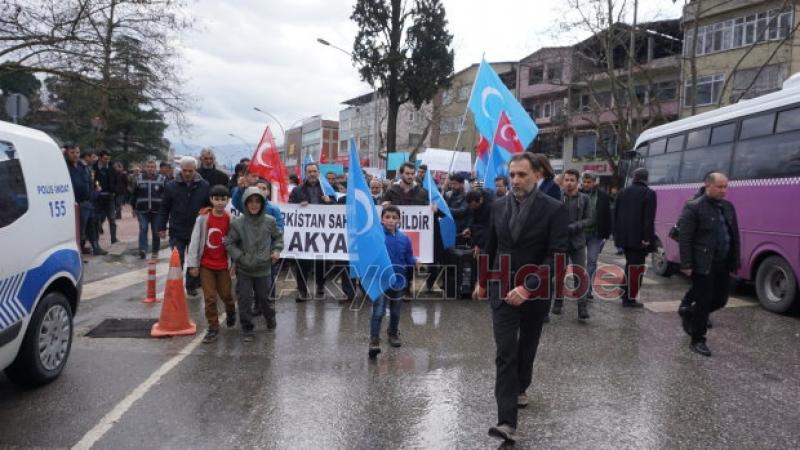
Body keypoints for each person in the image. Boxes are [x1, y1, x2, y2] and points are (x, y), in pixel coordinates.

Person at [474, 153, 568, 443]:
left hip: (535, 291)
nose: (515, 180)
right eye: (512, 174)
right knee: (505, 352)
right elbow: (491, 245)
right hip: (501, 288)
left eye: (522, 175)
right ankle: (506, 422)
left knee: (526, 347)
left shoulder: (554, 209)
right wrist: (482, 279)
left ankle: (522, 384)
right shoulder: (499, 205)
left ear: (537, 175)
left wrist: (528, 286)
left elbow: (558, 257)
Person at [678, 172, 739, 357]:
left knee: (720, 300)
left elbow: (734, 235)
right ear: (707, 186)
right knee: (704, 302)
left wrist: (735, 259)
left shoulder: (728, 207)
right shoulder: (694, 207)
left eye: (725, 187)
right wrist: (687, 264)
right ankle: (697, 340)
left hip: (723, 262)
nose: (724, 190)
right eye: (720, 187)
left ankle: (690, 312)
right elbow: (685, 238)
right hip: (703, 263)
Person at [224, 187, 283, 342]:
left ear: (263, 203)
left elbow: (278, 238)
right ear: (245, 203)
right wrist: (240, 257)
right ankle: (247, 328)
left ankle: (270, 319)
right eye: (250, 201)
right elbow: (229, 242)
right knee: (244, 298)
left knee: (264, 298)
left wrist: (276, 250)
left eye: (257, 201)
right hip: (244, 268)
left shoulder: (269, 221)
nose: (254, 205)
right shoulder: (238, 223)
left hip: (264, 268)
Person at [187, 185, 237, 343]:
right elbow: (195, 241)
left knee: (227, 295)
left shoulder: (231, 219)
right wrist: (193, 264)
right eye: (216, 199)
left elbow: (235, 243)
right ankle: (213, 327)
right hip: (206, 265)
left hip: (223, 265)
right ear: (211, 200)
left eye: (223, 199)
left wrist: (234, 264)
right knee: (209, 298)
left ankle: (231, 312)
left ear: (227, 200)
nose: (220, 202)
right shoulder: (203, 218)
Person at [368, 205, 419, 358]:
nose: (390, 220)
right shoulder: (376, 237)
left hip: (398, 280)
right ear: (382, 220)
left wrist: (415, 261)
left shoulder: (404, 238)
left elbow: (408, 257)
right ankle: (374, 340)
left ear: (399, 220)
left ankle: (393, 333)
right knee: (378, 311)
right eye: (387, 217)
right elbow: (369, 257)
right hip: (380, 279)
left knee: (396, 311)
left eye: (394, 218)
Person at [159, 156, 211, 296]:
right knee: (178, 258)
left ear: (195, 170)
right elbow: (164, 207)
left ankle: (191, 285)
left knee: (194, 259)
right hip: (177, 228)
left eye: (190, 170)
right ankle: (176, 285)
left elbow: (209, 206)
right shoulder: (171, 186)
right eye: (185, 170)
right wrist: (162, 227)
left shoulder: (204, 186)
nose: (187, 173)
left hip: (196, 229)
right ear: (180, 169)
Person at [288, 163, 335, 302]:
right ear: (305, 173)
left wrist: (330, 202)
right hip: (304, 233)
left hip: (323, 232)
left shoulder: (327, 189)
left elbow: (338, 208)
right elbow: (289, 207)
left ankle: (320, 287)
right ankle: (302, 291)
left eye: (314, 171)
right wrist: (298, 206)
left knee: (321, 261)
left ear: (318, 173)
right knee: (302, 262)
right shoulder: (297, 190)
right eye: (309, 172)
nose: (312, 174)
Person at [552, 169, 592, 320]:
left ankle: (582, 306)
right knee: (559, 275)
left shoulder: (584, 199)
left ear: (577, 182)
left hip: (578, 242)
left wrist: (575, 226)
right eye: (566, 180)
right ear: (563, 181)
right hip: (560, 242)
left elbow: (589, 219)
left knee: (579, 275)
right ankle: (558, 302)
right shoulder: (557, 197)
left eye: (572, 180)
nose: (569, 183)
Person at [613, 168, 656, 308]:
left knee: (630, 265)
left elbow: (615, 214)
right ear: (646, 178)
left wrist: (616, 235)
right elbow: (649, 219)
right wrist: (646, 238)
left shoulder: (622, 192)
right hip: (639, 240)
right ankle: (629, 299)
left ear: (634, 178)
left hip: (624, 238)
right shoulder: (649, 193)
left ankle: (624, 292)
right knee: (636, 269)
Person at [65, 145, 106, 256]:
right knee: (80, 230)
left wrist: (95, 191)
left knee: (92, 227)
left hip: (88, 201)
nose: (75, 155)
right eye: (72, 152)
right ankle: (78, 252)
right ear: (66, 153)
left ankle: (95, 248)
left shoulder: (82, 167)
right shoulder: (65, 167)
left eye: (77, 152)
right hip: (78, 204)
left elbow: (88, 183)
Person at [580, 171, 612, 299]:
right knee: (579, 262)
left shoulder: (603, 196)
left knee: (592, 261)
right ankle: (581, 286)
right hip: (580, 233)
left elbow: (608, 215)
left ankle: (587, 289)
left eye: (589, 182)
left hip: (595, 234)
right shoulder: (577, 194)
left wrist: (607, 233)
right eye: (585, 182)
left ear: (594, 183)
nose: (587, 184)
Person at [131, 160, 166, 259]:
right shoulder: (139, 178)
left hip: (157, 210)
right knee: (143, 228)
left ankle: (155, 251)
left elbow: (165, 194)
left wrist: (165, 208)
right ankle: (142, 249)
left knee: (156, 231)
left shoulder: (161, 179)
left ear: (156, 168)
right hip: (142, 210)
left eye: (152, 167)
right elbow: (134, 194)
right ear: (145, 168)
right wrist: (133, 207)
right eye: (149, 166)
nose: (150, 169)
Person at [93, 150, 118, 243]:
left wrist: (114, 190)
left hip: (110, 196)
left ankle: (114, 239)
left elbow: (116, 180)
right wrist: (95, 187)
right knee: (98, 218)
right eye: (105, 158)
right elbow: (92, 180)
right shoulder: (94, 168)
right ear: (100, 158)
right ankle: (96, 240)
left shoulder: (111, 168)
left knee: (112, 218)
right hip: (98, 197)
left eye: (108, 158)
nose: (107, 160)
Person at [445, 173, 470, 243]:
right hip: (449, 229)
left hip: (461, 232)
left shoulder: (466, 197)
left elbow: (461, 211)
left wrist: (445, 209)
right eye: (451, 184)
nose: (452, 186)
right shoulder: (448, 195)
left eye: (455, 184)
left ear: (462, 184)